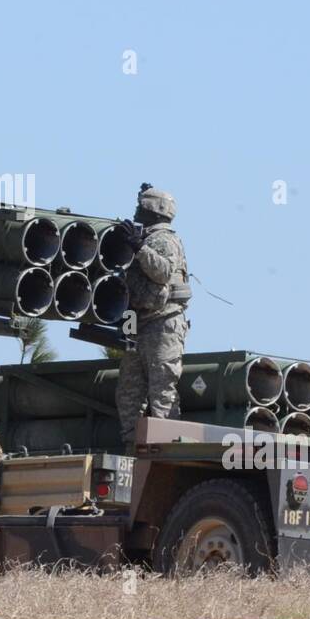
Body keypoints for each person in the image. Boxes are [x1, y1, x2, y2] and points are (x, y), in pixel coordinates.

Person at [115, 184, 191, 446]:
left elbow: (162, 271)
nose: (137, 209)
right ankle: (131, 451)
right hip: (137, 324)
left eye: (142, 205)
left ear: (153, 210)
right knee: (128, 394)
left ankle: (166, 453)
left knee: (162, 394)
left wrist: (139, 248)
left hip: (163, 323)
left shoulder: (164, 240)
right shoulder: (144, 237)